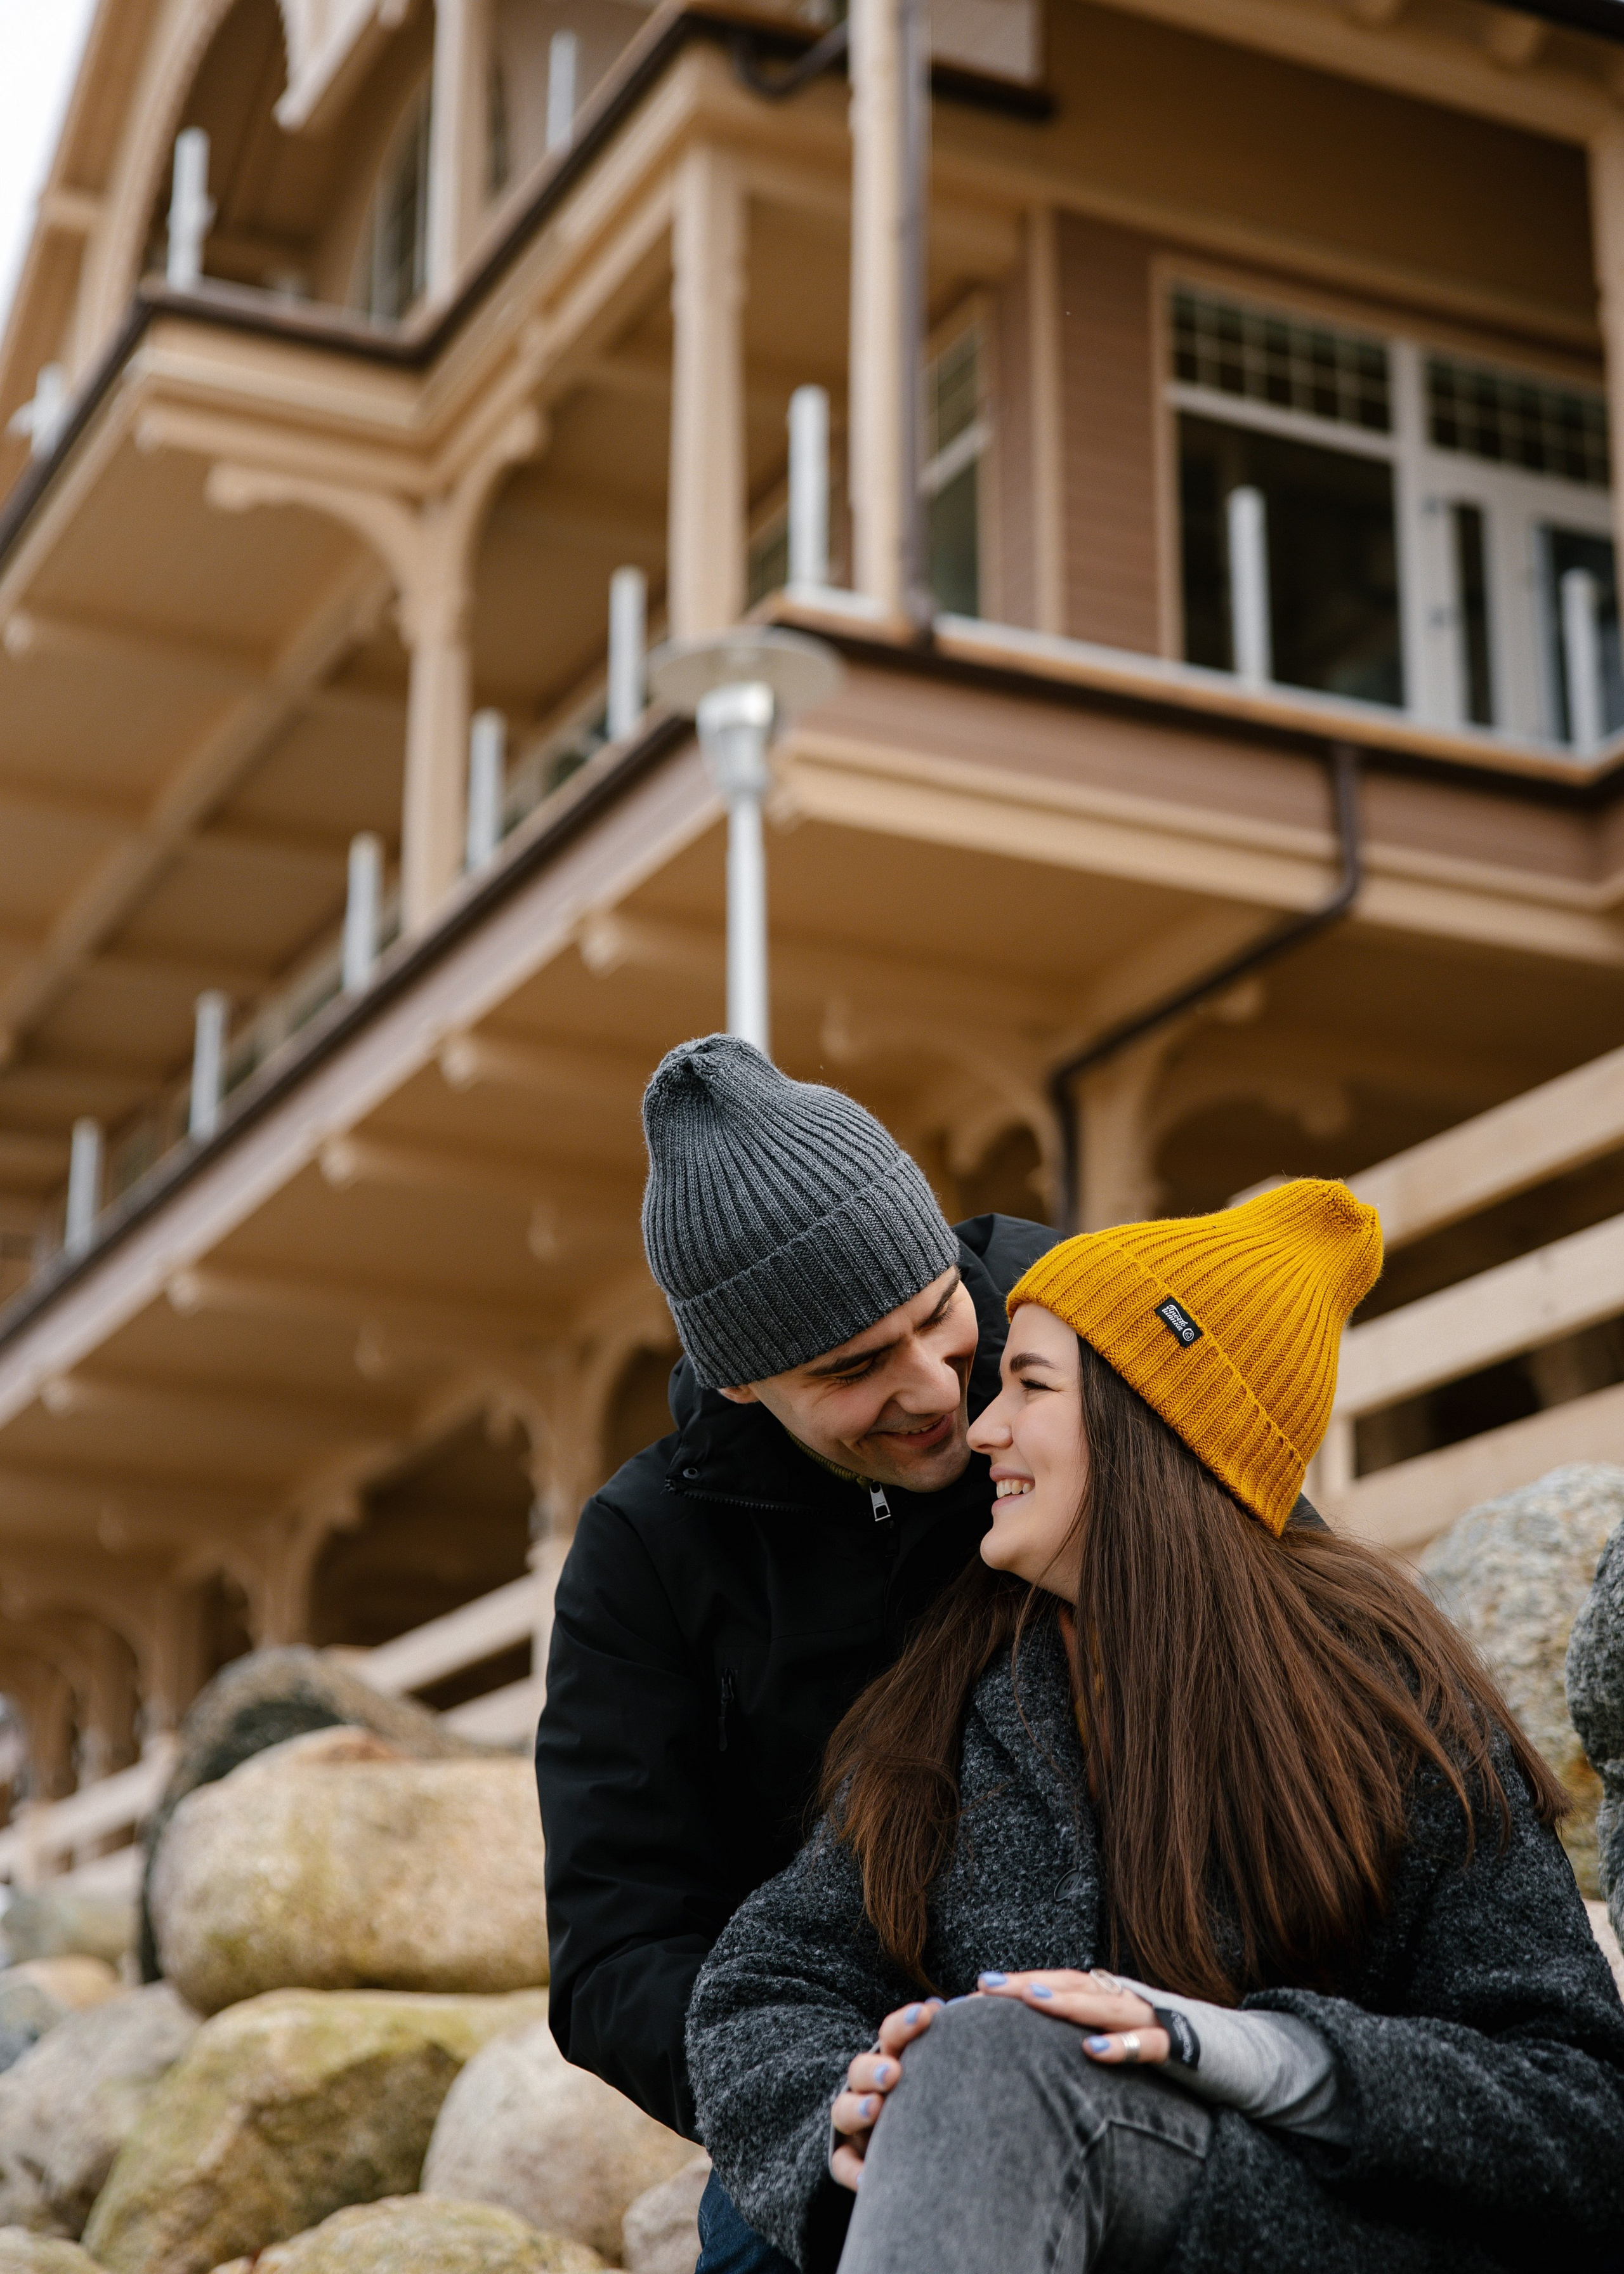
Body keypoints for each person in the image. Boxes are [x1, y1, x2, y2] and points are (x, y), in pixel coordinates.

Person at [686, 1180, 1624, 2274]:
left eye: (1027, 1385)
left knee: (994, 2056)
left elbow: (1583, 2112)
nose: (981, 1428)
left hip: (1288, 2229)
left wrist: (1245, 2052)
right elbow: (765, 1983)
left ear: (1154, 1423)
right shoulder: (956, 1694)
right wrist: (834, 2105)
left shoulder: (1386, 1698)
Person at [535, 1033, 1055, 2274]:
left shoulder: (1076, 1339)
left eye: (938, 1313)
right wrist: (809, 2086)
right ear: (739, 1386)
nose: (935, 1386)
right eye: (854, 1367)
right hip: (847, 2082)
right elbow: (615, 1942)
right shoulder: (642, 1553)